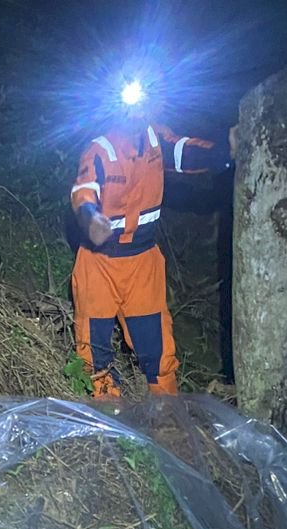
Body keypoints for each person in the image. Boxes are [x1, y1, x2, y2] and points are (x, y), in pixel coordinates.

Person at [68, 80, 235, 404]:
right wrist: (91, 219)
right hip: (99, 263)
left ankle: (169, 417)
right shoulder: (101, 149)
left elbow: (185, 152)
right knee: (93, 352)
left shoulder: (157, 140)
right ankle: (106, 423)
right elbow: (83, 190)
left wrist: (225, 150)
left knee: (157, 350)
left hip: (143, 264)